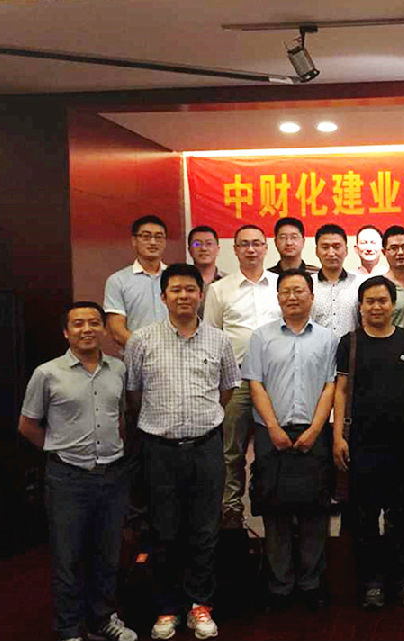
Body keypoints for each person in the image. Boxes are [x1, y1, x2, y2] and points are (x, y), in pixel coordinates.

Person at [125, 264, 240, 641]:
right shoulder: (141, 341)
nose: (184, 296)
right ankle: (166, 608)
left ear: (201, 295)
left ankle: (200, 605)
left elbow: (226, 390)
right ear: (163, 297)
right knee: (164, 531)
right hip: (159, 450)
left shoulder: (219, 341)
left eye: (190, 289)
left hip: (205, 447)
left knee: (204, 530)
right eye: (175, 290)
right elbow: (134, 395)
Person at [18, 301, 137, 641]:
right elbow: (27, 425)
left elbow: (122, 417)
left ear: (104, 329)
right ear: (66, 332)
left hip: (112, 475)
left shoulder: (118, 369)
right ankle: (69, 628)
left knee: (108, 555)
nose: (87, 329)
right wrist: (59, 449)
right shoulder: (47, 373)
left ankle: (102, 620)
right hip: (67, 477)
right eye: (79, 323)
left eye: (94, 323)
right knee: (68, 557)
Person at [243, 268, 338, 612]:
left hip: (314, 432)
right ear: (278, 297)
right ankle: (279, 586)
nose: (293, 297)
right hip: (272, 433)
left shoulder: (328, 338)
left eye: (299, 291)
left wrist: (316, 429)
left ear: (311, 297)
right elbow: (255, 383)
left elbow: (330, 386)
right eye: (286, 291)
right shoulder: (261, 337)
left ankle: (311, 584)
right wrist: (272, 427)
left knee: (315, 511)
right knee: (275, 511)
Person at [333, 276, 404, 609]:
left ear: (393, 304)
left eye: (382, 300)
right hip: (362, 443)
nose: (376, 307)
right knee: (364, 517)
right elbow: (341, 391)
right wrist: (338, 437)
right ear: (360, 306)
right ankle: (371, 582)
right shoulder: (350, 342)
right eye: (369, 301)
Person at [204, 224, 283, 529]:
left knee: (272, 445)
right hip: (235, 380)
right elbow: (211, 338)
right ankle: (231, 509)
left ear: (266, 248)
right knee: (231, 449)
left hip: (275, 382)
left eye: (257, 243)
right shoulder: (219, 290)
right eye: (244, 244)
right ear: (235, 250)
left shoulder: (280, 285)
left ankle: (269, 500)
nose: (251, 249)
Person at [104, 215, 169, 349]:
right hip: (137, 355)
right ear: (134, 241)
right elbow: (117, 331)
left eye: (158, 237)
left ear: (165, 242)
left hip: (177, 354)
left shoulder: (175, 278)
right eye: (146, 237)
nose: (153, 242)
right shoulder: (118, 280)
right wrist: (147, 350)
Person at [311, 224, 361, 338]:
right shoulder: (307, 285)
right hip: (316, 347)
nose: (331, 253)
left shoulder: (359, 283)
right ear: (316, 251)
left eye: (336, 247)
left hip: (352, 348)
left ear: (346, 250)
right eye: (325, 247)